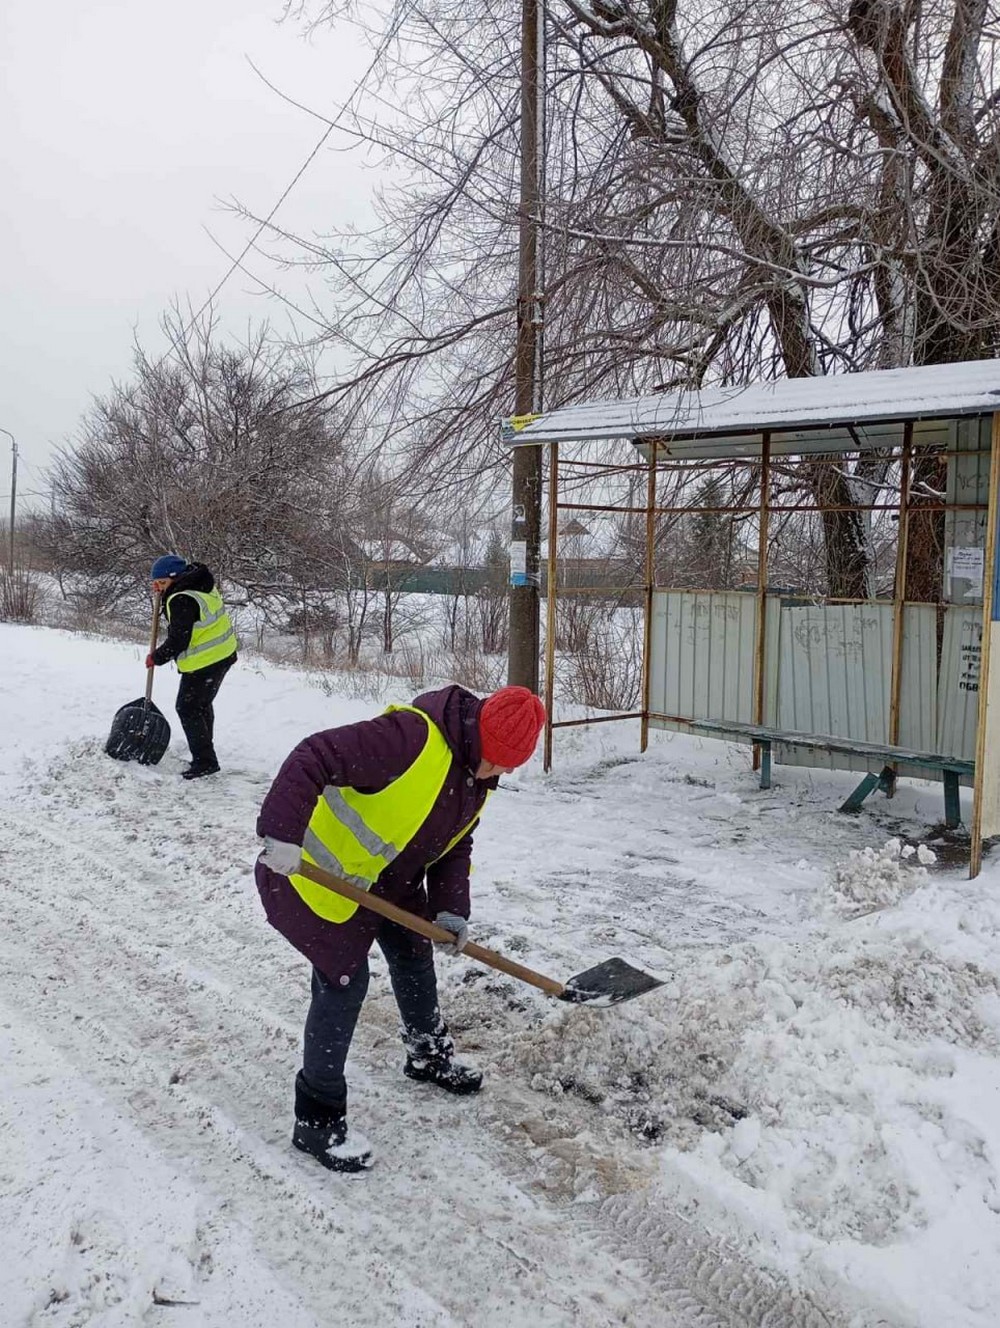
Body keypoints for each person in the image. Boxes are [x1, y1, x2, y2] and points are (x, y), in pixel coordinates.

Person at [255, 683, 546, 1173]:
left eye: (509, 768)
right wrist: (281, 833)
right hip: (317, 875)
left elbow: (454, 845)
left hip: (390, 881)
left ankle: (427, 1055)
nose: (500, 775)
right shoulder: (408, 738)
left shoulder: (476, 776)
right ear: (480, 739)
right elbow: (314, 754)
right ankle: (317, 1121)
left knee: (415, 952)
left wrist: (452, 910)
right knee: (344, 984)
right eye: (499, 763)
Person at [147, 554, 238, 780]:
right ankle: (205, 750)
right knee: (201, 704)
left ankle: (205, 761)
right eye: (155, 583)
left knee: (187, 708)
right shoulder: (201, 584)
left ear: (174, 578)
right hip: (222, 654)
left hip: (205, 662)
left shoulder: (181, 599)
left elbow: (180, 639)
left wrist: (156, 657)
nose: (157, 587)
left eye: (161, 583)